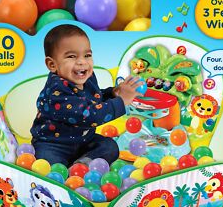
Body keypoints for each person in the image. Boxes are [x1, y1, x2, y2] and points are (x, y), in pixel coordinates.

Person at [30, 24, 143, 167]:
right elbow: (89, 115)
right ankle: (70, 169)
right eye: (72, 56)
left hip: (83, 141)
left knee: (110, 147)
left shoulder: (85, 78)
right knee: (48, 164)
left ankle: (82, 165)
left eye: (87, 55)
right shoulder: (56, 91)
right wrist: (121, 101)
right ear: (52, 65)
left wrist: (113, 93)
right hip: (53, 144)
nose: (82, 62)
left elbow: (93, 99)